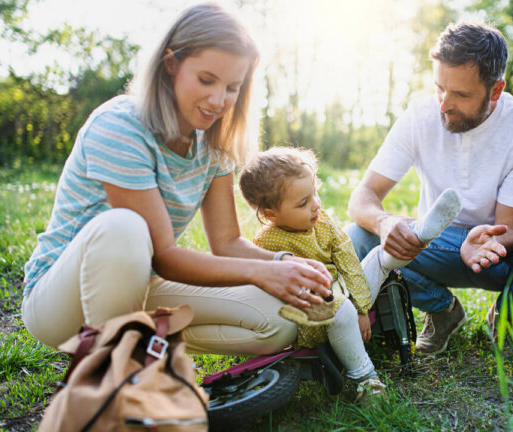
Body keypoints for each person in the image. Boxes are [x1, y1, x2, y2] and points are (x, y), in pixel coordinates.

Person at [21, 3, 335, 357]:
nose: (218, 100)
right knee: (124, 227)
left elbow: (228, 242)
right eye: (206, 80)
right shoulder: (120, 126)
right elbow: (166, 255)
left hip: (140, 286)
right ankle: (117, 375)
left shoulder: (214, 143)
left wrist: (281, 263)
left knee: (280, 319)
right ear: (170, 65)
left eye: (233, 87)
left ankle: (144, 342)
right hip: (61, 302)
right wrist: (259, 273)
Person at [346, 20, 513, 354]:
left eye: (460, 94)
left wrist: (489, 238)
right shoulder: (419, 115)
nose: (444, 103)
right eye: (439, 88)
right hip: (434, 242)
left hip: (503, 248)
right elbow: (364, 196)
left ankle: (506, 315)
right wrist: (385, 223)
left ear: (496, 90)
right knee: (357, 238)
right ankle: (443, 311)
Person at [238, 146, 462, 403]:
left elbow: (349, 261)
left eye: (315, 193)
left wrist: (361, 308)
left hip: (345, 293)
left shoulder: (322, 221)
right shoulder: (267, 243)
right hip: (312, 314)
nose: (316, 205)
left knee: (379, 256)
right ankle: (366, 379)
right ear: (270, 214)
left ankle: (419, 234)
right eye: (303, 203)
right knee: (340, 309)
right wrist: (348, 306)